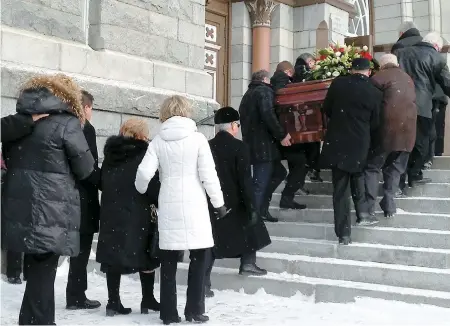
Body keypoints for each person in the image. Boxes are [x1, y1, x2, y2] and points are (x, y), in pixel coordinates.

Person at [1, 74, 94, 325]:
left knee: (39, 269)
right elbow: (86, 168)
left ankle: (33, 320)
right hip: (52, 208)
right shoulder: (67, 123)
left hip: (22, 206)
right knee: (44, 270)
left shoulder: (21, 122)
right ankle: (41, 322)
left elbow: (8, 160)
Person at [135, 95, 227, 325]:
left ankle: (168, 313)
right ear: (187, 111)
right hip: (195, 203)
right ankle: (194, 310)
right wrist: (219, 204)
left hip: (169, 202)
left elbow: (144, 174)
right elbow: (209, 176)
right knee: (200, 256)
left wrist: (142, 191)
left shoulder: (157, 141)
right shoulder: (198, 139)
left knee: (168, 260)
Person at [205, 107, 272, 297]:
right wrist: (251, 206)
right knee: (252, 224)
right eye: (238, 125)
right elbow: (245, 180)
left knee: (209, 242)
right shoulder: (240, 147)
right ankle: (248, 263)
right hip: (235, 199)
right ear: (233, 125)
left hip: (213, 200)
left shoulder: (207, 146)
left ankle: (204, 283)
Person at [96, 118, 160, 316]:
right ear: (141, 135)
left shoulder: (111, 154)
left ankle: (113, 302)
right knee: (147, 255)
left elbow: (101, 181)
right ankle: (147, 299)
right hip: (138, 213)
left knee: (113, 257)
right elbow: (152, 185)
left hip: (111, 212)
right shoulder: (144, 154)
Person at [320, 58, 383, 245]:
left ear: (352, 69)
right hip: (359, 143)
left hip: (337, 142)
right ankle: (362, 213)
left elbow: (327, 109)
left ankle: (343, 233)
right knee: (358, 177)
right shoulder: (374, 92)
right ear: (368, 72)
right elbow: (376, 123)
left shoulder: (338, 84)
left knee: (340, 190)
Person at [363, 54, 417, 218]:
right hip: (408, 132)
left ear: (381, 65)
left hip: (386, 131)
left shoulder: (377, 78)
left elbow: (371, 105)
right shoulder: (408, 78)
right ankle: (389, 204)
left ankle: (369, 208)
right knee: (395, 169)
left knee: (372, 168)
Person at [397, 32, 450, 186]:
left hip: (399, 104)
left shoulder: (401, 53)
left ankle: (399, 181)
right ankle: (414, 175)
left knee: (401, 143)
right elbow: (447, 83)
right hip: (422, 106)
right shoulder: (436, 57)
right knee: (421, 142)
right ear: (436, 46)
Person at [1, 113, 49, 285]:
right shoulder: (38, 127)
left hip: (17, 180)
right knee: (27, 226)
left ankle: (15, 272)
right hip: (29, 182)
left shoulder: (15, 128)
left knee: (19, 226)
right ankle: (22, 271)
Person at [239, 70, 291, 222]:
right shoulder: (264, 91)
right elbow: (268, 114)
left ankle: (261, 210)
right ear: (265, 79)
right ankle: (253, 218)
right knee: (260, 182)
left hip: (253, 143)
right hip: (263, 145)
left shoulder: (248, 94)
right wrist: (281, 135)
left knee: (278, 173)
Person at [66, 90, 101, 310]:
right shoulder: (85, 129)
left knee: (75, 250)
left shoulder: (64, 126)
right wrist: (103, 180)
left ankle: (76, 294)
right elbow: (88, 165)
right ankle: (76, 295)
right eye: (91, 108)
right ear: (86, 108)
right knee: (81, 249)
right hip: (83, 197)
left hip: (67, 195)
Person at [271, 61, 310, 204]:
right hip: (288, 132)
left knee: (296, 164)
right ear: (288, 72)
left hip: (283, 132)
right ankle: (287, 198)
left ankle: (286, 198)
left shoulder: (273, 82)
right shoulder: (282, 81)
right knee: (300, 164)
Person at [292, 53, 323, 183]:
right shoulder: (301, 74)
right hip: (304, 114)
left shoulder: (307, 74)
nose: (313, 65)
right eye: (311, 62)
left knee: (313, 145)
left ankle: (313, 169)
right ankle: (311, 170)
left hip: (310, 114)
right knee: (309, 146)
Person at [434, 86, 448, 156]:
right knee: (439, 127)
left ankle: (436, 151)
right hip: (438, 97)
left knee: (437, 126)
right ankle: (437, 151)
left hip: (436, 97)